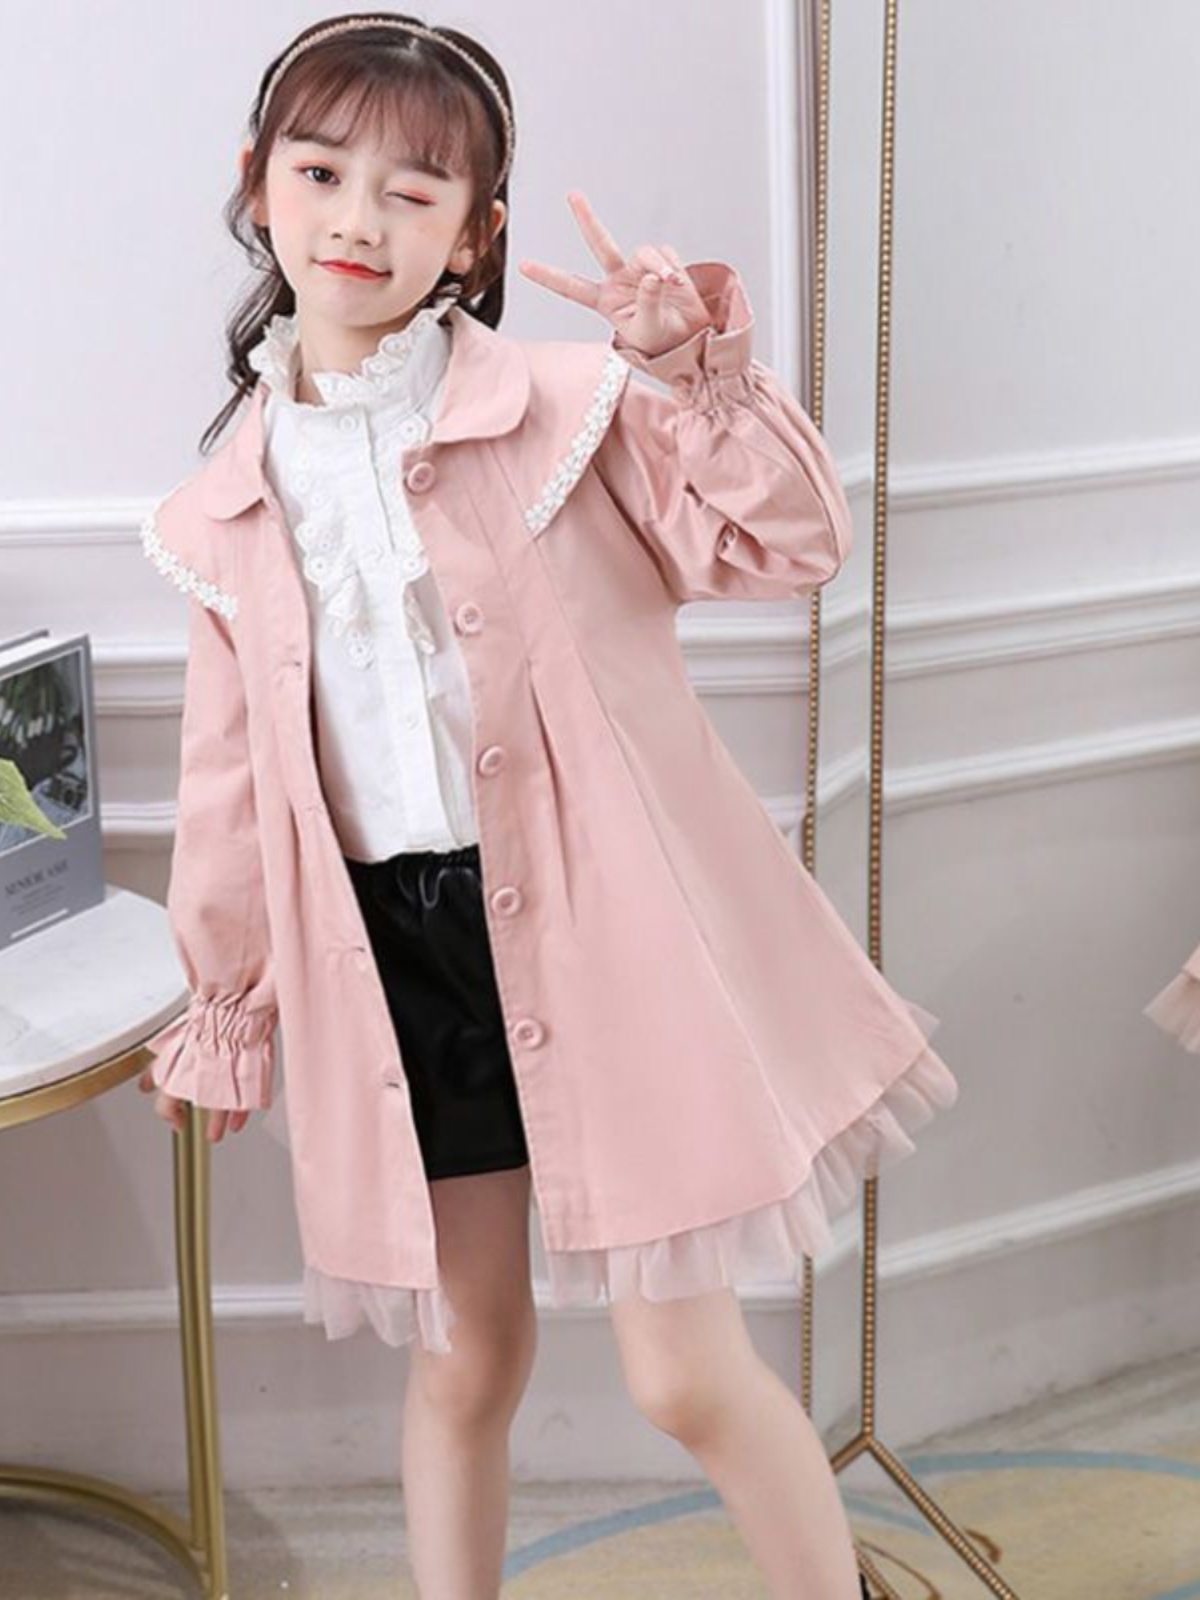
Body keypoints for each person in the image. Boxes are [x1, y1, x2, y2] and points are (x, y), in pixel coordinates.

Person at [137, 12, 958, 1597]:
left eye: (414, 191)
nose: (359, 219)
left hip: (606, 930)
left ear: (474, 233)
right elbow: (229, 785)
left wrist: (690, 372)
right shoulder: (222, 507)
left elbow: (789, 545)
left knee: (682, 1374)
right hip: (398, 961)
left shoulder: (573, 412)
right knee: (466, 1361)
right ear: (258, 183)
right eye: (322, 172)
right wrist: (227, 1003)